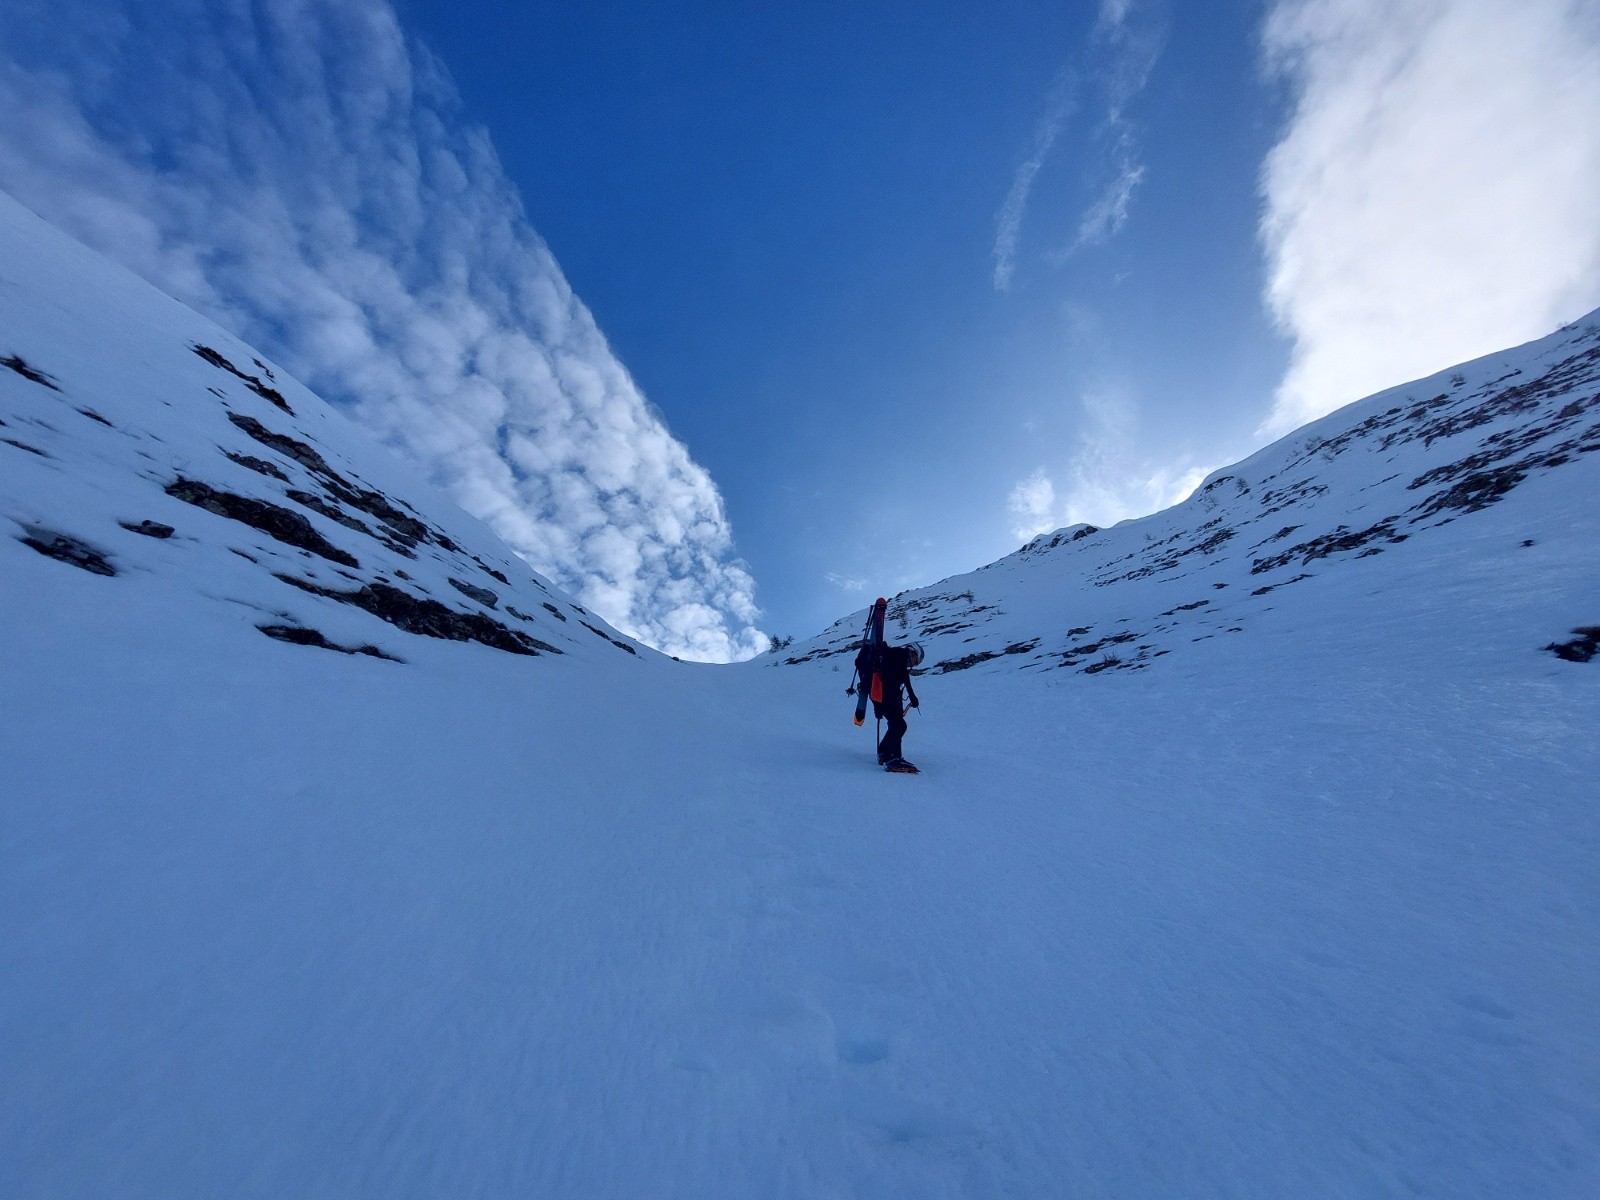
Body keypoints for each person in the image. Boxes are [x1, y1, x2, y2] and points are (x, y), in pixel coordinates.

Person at [872, 641, 923, 770]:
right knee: (898, 725)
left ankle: (883, 752)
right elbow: (905, 678)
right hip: (887, 699)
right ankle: (894, 758)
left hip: (883, 699)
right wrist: (912, 696)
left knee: (898, 725)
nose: (913, 664)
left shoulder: (894, 655)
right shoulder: (900, 655)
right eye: (915, 660)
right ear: (912, 652)